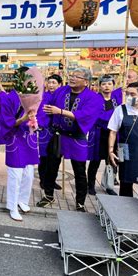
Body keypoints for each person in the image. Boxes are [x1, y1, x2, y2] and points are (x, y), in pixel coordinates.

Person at [37, 68, 103, 212]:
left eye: (76, 76)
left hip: (77, 138)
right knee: (51, 168)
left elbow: (85, 115)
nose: (72, 78)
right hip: (58, 135)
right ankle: (48, 195)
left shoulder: (94, 97)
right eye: (71, 75)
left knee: (79, 171)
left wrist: (60, 111)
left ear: (86, 81)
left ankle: (80, 202)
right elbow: (48, 104)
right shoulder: (62, 90)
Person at [1, 67, 40, 221]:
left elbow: (41, 115)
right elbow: (6, 121)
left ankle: (22, 200)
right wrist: (23, 119)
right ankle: (12, 206)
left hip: (29, 138)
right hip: (15, 138)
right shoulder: (9, 97)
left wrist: (35, 119)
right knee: (15, 175)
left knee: (29, 174)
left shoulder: (35, 96)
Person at [87, 75, 122, 196]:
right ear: (99, 86)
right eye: (104, 84)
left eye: (109, 84)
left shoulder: (116, 98)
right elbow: (97, 116)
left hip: (113, 134)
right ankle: (90, 185)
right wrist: (115, 113)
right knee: (95, 161)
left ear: (113, 85)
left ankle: (109, 185)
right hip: (98, 133)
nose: (106, 86)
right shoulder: (95, 99)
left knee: (112, 161)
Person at [108, 82, 138, 197]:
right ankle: (125, 211)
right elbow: (113, 131)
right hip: (125, 152)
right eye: (127, 94)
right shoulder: (120, 110)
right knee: (125, 183)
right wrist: (111, 151)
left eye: (132, 94)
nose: (129, 97)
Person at [37, 74, 63, 190]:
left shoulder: (63, 97)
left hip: (58, 131)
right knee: (44, 157)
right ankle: (43, 180)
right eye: (49, 82)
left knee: (56, 157)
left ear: (60, 85)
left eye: (54, 83)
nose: (51, 85)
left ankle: (52, 180)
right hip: (45, 130)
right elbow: (39, 113)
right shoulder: (42, 96)